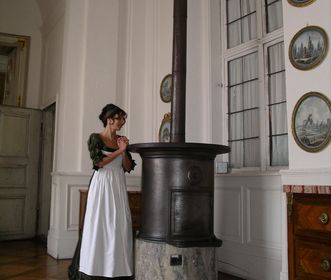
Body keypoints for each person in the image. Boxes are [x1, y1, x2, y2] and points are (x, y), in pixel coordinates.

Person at [68, 104, 136, 280]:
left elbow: (128, 167)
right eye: (120, 118)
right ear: (110, 119)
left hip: (118, 185)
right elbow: (98, 163)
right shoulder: (95, 138)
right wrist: (120, 150)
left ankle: (116, 268)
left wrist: (124, 151)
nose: (123, 121)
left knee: (118, 225)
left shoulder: (121, 140)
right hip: (102, 184)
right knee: (99, 224)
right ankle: (94, 267)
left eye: (123, 118)